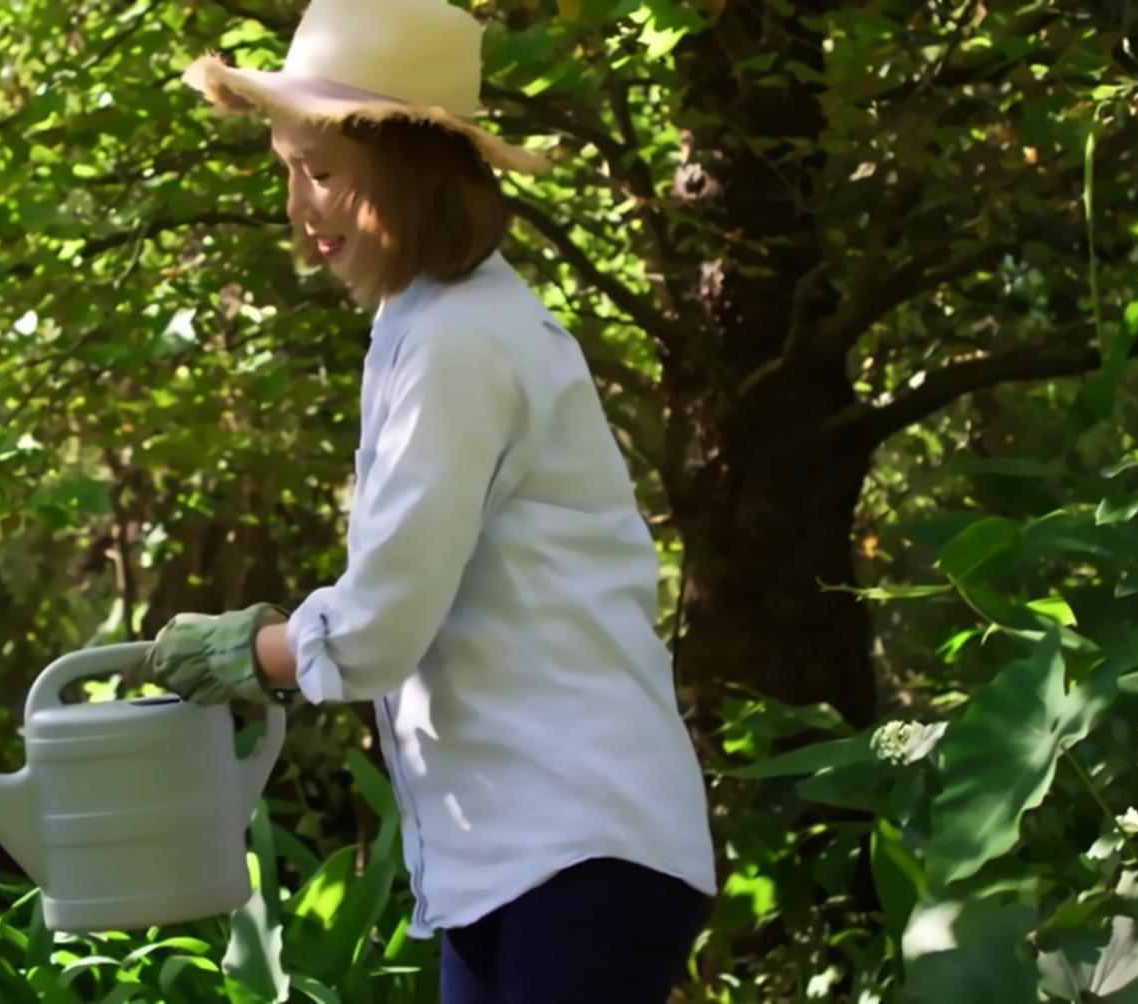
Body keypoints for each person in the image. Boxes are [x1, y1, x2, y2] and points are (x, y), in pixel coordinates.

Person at [140, 0, 717, 999]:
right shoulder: (426, 327)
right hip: (511, 854)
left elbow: (382, 624)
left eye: (320, 171)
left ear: (410, 169)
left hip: (577, 846)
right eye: (286, 168)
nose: (297, 206)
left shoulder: (461, 343)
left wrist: (251, 649)